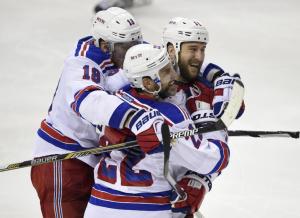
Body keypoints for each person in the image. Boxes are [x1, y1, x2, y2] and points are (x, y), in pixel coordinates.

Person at [84, 43, 230, 218]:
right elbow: (212, 160)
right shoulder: (170, 116)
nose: (175, 75)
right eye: (166, 72)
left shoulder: (117, 98)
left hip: (98, 206)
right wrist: (208, 117)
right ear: (147, 83)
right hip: (146, 209)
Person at [31, 7, 148, 218]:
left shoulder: (127, 49)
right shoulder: (81, 63)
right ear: (105, 45)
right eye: (126, 47)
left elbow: (161, 60)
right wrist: (137, 119)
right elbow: (90, 102)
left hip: (96, 158)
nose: (134, 52)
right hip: (63, 159)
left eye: (136, 44)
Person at [162, 17, 245, 217]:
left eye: (202, 49)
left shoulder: (204, 90)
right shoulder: (148, 77)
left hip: (174, 197)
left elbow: (217, 148)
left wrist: (199, 181)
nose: (199, 57)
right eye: (192, 49)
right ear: (172, 49)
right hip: (129, 190)